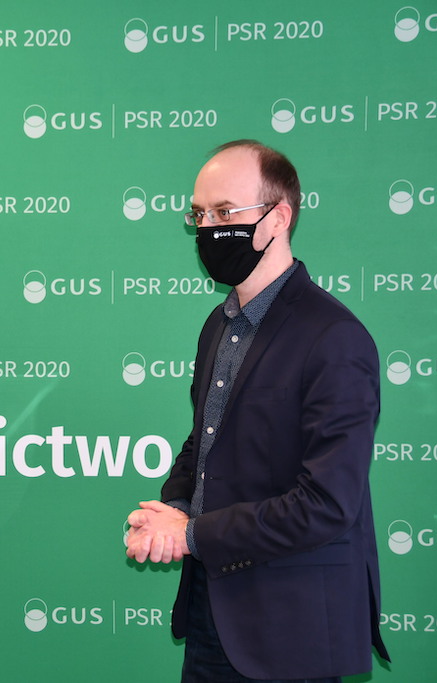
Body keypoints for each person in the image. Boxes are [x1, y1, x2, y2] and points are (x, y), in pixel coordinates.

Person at [125, 140, 389, 682]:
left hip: (290, 626)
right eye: (199, 214)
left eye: (225, 213)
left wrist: (191, 534)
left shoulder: (333, 337)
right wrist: (172, 510)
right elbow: (205, 442)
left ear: (279, 218)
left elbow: (326, 504)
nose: (207, 228)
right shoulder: (217, 325)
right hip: (211, 609)